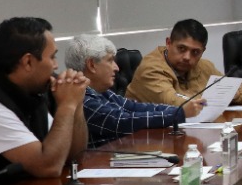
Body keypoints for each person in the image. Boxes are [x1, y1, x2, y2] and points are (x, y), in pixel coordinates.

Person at [0, 17, 88, 185]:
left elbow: (73, 155)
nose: (56, 66)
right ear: (28, 62)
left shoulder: (30, 93)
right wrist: (67, 105)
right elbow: (48, 166)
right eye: (52, 57)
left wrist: (77, 102)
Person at [69, 33, 201, 147]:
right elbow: (122, 121)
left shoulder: (102, 92)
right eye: (110, 61)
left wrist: (179, 109)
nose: (116, 68)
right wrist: (178, 114)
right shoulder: (83, 99)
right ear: (92, 65)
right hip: (99, 164)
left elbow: (135, 107)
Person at [127, 18, 242, 107]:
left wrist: (228, 93)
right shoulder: (150, 69)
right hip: (144, 133)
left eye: (195, 52)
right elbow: (176, 104)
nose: (187, 57)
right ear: (168, 43)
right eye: (181, 48)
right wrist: (218, 97)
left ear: (203, 51)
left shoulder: (204, 66)